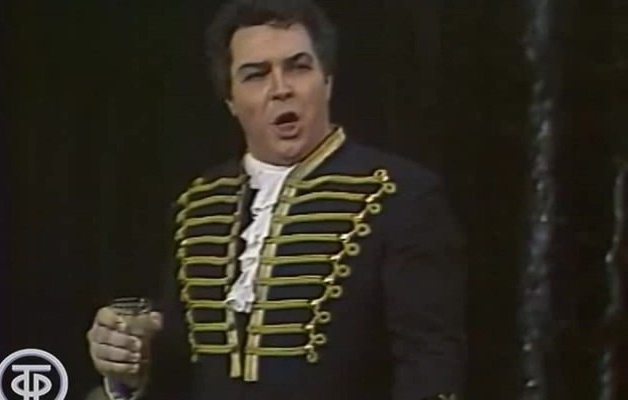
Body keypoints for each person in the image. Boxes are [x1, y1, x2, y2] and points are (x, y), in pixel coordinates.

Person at [86, 0, 466, 399]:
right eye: (256, 75)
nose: (281, 89)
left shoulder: (402, 195)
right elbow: (180, 374)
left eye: (298, 67)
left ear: (327, 81)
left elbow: (430, 365)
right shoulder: (197, 207)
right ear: (231, 100)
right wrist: (131, 363)